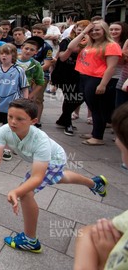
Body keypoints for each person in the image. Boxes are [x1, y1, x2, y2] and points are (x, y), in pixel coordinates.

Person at [0, 98, 108, 253]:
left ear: (33, 121)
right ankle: (95, 183)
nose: (13, 122)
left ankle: (30, 240)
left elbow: (37, 177)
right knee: (60, 177)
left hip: (54, 159)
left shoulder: (40, 140)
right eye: (10, 117)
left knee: (26, 193)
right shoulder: (4, 131)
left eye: (20, 119)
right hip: (45, 162)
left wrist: (17, 191)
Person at [74, 102, 128, 270]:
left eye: (122, 149)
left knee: (48, 177)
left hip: (50, 159)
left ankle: (94, 183)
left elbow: (87, 235)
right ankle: (94, 183)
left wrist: (102, 262)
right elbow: (87, 233)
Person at [70, 21, 122, 146]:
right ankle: (95, 132)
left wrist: (103, 84)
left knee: (98, 108)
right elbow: (71, 47)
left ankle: (98, 137)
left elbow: (111, 67)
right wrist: (83, 32)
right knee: (93, 108)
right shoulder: (89, 43)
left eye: (97, 30)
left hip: (97, 79)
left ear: (104, 30)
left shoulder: (111, 45)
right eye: (92, 30)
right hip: (85, 77)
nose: (94, 32)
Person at [53, 20, 89, 136]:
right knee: (70, 97)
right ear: (75, 28)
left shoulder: (90, 43)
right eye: (80, 28)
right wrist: (72, 49)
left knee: (81, 97)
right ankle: (67, 123)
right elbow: (62, 57)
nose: (81, 30)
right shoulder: (67, 41)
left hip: (81, 74)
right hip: (65, 74)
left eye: (85, 28)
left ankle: (63, 119)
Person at [0, 44, 28, 138]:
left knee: (9, 127)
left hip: (12, 104)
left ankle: (7, 147)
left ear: (13, 55)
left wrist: (25, 102)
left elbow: (24, 87)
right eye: (2, 53)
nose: (4, 56)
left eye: (7, 54)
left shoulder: (19, 70)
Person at [29, 24, 54, 127]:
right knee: (27, 98)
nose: (36, 34)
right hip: (28, 76)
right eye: (34, 32)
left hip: (40, 76)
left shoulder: (47, 47)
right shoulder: (28, 44)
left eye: (39, 32)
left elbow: (47, 64)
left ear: (44, 35)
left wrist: (33, 72)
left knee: (37, 99)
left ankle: (36, 121)